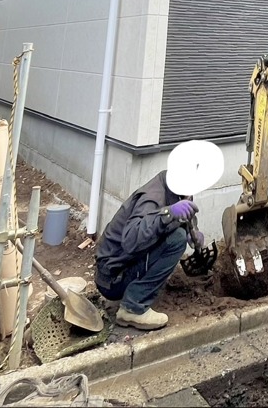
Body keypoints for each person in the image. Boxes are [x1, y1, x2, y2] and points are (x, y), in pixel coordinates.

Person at [94, 140, 221, 330]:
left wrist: (193, 231)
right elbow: (130, 241)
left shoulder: (180, 190)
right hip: (112, 278)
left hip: (122, 267)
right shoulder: (152, 197)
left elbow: (184, 216)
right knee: (177, 240)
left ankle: (136, 293)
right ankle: (133, 307)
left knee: (179, 234)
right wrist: (168, 213)